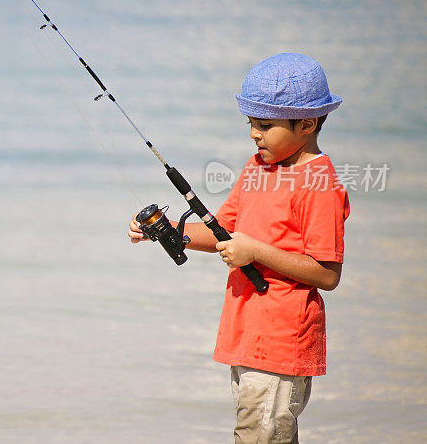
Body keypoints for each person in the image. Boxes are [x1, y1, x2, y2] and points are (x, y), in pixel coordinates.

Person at [128, 52, 349, 443]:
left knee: (255, 435)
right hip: (245, 332)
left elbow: (327, 274)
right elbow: (224, 233)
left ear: (308, 123)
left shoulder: (320, 184)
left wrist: (256, 252)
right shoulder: (257, 167)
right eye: (250, 123)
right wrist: (165, 232)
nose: (253, 134)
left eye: (265, 124)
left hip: (283, 340)